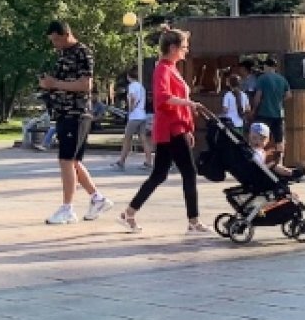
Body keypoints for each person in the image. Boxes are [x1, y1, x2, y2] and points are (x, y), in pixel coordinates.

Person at [118, 26, 211, 235]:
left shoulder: (171, 67)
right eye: (184, 46)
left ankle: (129, 213)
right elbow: (162, 97)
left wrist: (187, 126)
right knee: (189, 172)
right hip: (170, 128)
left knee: (159, 174)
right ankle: (193, 220)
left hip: (174, 128)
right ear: (172, 47)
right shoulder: (163, 68)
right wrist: (191, 104)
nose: (187, 50)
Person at [40, 20, 114, 225]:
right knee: (72, 161)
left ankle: (67, 208)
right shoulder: (63, 54)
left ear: (66, 34)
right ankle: (97, 199)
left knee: (66, 160)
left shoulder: (83, 52)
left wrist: (55, 83)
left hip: (77, 113)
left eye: (56, 39)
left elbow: (85, 84)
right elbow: (63, 82)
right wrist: (48, 85)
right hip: (64, 112)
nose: (54, 44)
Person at [113, 69, 154, 170]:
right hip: (142, 115)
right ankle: (149, 161)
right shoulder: (141, 87)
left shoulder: (132, 86)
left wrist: (130, 109)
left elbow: (132, 98)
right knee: (144, 139)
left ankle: (121, 161)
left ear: (128, 76)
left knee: (127, 139)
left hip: (134, 116)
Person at [251, 57, 291, 161]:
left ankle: (259, 160)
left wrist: (254, 109)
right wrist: (278, 100)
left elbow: (258, 96)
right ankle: (279, 162)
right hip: (278, 114)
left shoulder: (262, 79)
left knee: (259, 137)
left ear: (266, 66)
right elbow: (288, 95)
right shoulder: (282, 79)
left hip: (264, 113)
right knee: (279, 139)